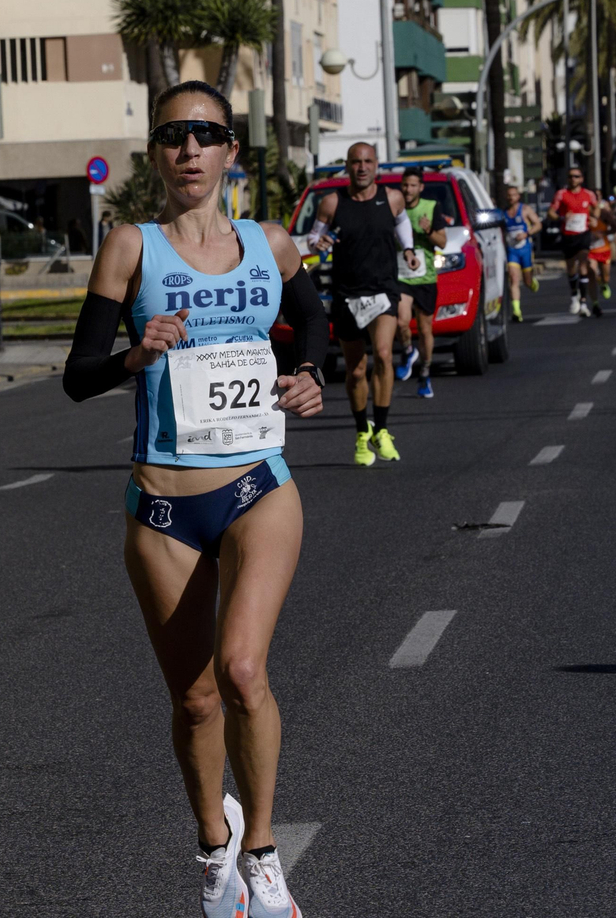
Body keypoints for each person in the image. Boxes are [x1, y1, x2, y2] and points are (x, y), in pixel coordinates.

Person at [62, 79, 326, 918]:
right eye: (174, 134)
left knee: (244, 670)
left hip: (257, 486)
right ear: (156, 152)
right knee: (196, 695)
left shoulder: (271, 243)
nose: (189, 150)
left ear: (230, 152)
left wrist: (311, 373)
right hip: (164, 504)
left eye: (205, 134)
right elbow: (77, 376)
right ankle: (213, 842)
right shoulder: (130, 246)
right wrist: (135, 357)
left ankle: (263, 850)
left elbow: (316, 322)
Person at [309, 141, 416, 464]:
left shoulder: (392, 198)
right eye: (356, 162)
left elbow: (402, 223)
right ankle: (361, 432)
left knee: (383, 354)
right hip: (347, 294)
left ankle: (381, 429)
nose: (362, 167)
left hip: (383, 290)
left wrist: (408, 250)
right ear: (348, 165)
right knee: (356, 371)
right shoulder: (332, 202)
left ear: (377, 165)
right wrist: (320, 241)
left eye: (368, 161)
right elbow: (314, 237)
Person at [393, 167, 448, 399]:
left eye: (413, 185)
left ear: (421, 188)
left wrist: (428, 231)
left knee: (426, 330)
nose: (408, 189)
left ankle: (425, 374)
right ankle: (408, 351)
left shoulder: (431, 207)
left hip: (425, 278)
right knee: (401, 320)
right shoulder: (394, 206)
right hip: (401, 276)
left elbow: (442, 242)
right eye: (405, 185)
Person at [550, 165, 601, 317]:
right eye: (571, 176)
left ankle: (584, 302)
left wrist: (594, 218)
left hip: (583, 234)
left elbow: (597, 208)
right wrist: (561, 217)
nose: (574, 179)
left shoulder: (588, 194)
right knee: (571, 268)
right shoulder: (562, 194)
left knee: (583, 265)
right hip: (568, 234)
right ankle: (574, 296)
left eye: (577, 176)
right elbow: (551, 212)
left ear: (582, 179)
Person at [503, 184, 541, 322]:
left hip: (525, 249)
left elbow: (538, 224)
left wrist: (526, 234)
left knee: (527, 281)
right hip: (512, 250)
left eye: (513, 195)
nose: (511, 197)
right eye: (508, 195)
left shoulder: (525, 210)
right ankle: (517, 311)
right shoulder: (504, 213)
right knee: (513, 278)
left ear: (518, 196)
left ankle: (531, 282)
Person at [586, 198, 616, 301]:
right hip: (591, 251)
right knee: (592, 273)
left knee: (606, 276)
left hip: (604, 250)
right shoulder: (584, 216)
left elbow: (615, 227)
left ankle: (604, 284)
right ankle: (595, 303)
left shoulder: (604, 214)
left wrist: (603, 233)